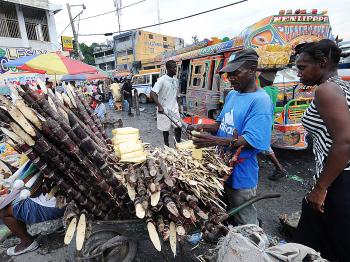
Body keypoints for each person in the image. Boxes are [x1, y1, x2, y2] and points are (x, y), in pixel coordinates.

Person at [189, 50, 273, 225]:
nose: (231, 78)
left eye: (236, 73)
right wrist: (201, 127)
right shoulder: (233, 94)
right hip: (221, 166)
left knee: (245, 220)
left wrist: (213, 141)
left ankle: (255, 248)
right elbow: (220, 124)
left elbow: (252, 141)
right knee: (224, 211)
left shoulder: (261, 101)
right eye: (229, 74)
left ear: (252, 70)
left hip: (242, 172)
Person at [293, 39, 350, 262]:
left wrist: (321, 188)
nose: (298, 73)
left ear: (323, 63)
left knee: (321, 249)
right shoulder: (342, 86)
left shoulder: (326, 90)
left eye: (302, 67)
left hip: (337, 182)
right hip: (335, 178)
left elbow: (345, 142)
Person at [0, 193, 65, 256]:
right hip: (58, 198)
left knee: (3, 213)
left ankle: (27, 242)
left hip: (56, 205)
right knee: (10, 200)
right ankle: (19, 227)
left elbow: (33, 192)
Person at [258, 72, 288, 181]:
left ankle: (279, 168)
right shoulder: (274, 90)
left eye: (260, 80)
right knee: (262, 145)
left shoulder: (264, 91)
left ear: (263, 81)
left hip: (262, 122)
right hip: (269, 121)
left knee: (264, 145)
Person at [150, 60, 182, 147]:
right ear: (168, 68)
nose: (176, 69)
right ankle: (166, 145)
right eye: (174, 67)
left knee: (179, 126)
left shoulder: (176, 80)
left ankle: (178, 145)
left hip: (174, 108)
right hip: (164, 109)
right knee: (165, 130)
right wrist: (159, 106)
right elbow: (152, 93)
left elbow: (175, 94)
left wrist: (178, 105)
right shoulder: (162, 80)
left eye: (176, 67)